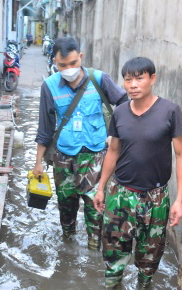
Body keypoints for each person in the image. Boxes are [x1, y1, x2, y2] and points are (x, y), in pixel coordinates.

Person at [93, 57, 182, 288]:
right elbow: (113, 151)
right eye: (128, 80)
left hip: (155, 198)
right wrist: (101, 188)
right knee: (113, 253)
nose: (132, 85)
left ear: (152, 79)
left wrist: (179, 200)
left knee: (150, 256)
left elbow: (181, 155)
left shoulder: (170, 111)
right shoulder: (120, 113)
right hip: (120, 194)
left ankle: (144, 289)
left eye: (139, 79)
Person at [33, 37, 128, 249]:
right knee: (66, 206)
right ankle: (68, 246)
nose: (69, 69)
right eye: (62, 65)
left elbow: (123, 103)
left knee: (96, 208)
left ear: (81, 57)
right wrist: (38, 163)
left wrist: (115, 134)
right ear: (55, 63)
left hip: (95, 155)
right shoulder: (49, 87)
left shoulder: (99, 79)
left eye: (73, 63)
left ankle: (94, 249)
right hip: (63, 157)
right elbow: (45, 129)